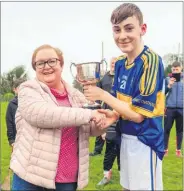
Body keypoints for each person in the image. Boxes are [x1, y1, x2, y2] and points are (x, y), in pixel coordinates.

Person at [84, 3, 165, 190]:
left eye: (129, 28)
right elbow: (120, 103)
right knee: (126, 187)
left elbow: (138, 115)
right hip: (124, 137)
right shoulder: (120, 62)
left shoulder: (151, 60)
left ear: (142, 29)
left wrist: (102, 94)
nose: (122, 36)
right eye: (116, 30)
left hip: (146, 140)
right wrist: (113, 115)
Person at [10, 44, 109, 191]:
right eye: (40, 63)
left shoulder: (76, 96)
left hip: (67, 177)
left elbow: (88, 129)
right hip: (30, 176)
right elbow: (44, 115)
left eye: (52, 61)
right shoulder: (28, 89)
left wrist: (103, 122)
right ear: (35, 68)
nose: (46, 66)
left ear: (61, 65)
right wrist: (89, 114)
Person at [95, 57, 120, 186]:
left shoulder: (124, 76)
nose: (114, 65)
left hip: (124, 116)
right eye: (112, 63)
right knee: (109, 147)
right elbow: (97, 97)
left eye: (116, 63)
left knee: (123, 148)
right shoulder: (104, 78)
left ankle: (125, 176)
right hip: (108, 116)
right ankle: (106, 175)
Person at [164, 61, 183, 157]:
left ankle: (178, 150)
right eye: (174, 69)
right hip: (169, 108)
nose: (175, 71)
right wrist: (169, 86)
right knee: (166, 129)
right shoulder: (167, 79)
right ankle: (165, 150)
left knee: (180, 130)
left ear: (181, 68)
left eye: (177, 69)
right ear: (171, 69)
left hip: (181, 109)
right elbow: (162, 93)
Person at [6, 78, 26, 148]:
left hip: (30, 139)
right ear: (14, 89)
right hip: (17, 139)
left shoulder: (31, 103)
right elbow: (9, 123)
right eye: (21, 88)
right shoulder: (11, 104)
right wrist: (11, 140)